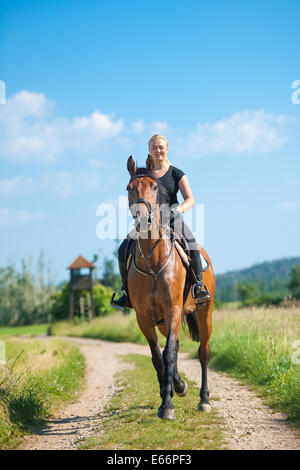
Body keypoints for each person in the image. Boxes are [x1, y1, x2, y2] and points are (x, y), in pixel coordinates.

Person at [111, 134, 210, 309]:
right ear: (149, 150)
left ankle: (198, 287)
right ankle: (126, 292)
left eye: (161, 147)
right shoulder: (145, 173)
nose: (158, 150)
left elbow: (190, 199)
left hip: (172, 219)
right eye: (154, 147)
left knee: (192, 245)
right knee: (122, 250)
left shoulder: (176, 172)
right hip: (147, 222)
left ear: (166, 148)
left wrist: (177, 210)